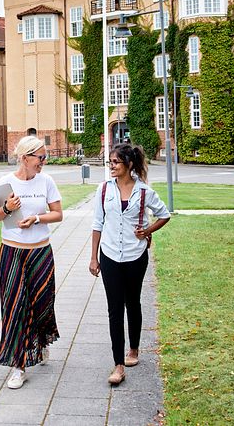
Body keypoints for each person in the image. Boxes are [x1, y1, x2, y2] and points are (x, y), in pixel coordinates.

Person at [90, 143, 170, 386]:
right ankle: (118, 365)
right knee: (114, 309)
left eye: (115, 162)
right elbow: (97, 224)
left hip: (136, 255)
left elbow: (164, 214)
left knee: (132, 303)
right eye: (110, 162)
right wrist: (93, 257)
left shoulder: (144, 192)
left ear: (129, 165)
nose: (111, 166)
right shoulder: (103, 190)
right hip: (110, 254)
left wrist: (147, 230)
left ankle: (133, 349)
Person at [0, 136, 62, 389]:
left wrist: (36, 218)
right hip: (12, 252)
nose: (44, 162)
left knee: (42, 302)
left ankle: (40, 342)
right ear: (24, 158)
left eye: (45, 157)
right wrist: (8, 209)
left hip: (41, 251)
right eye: (40, 158)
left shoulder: (47, 181)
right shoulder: (5, 183)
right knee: (15, 306)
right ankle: (18, 365)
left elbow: (58, 213)